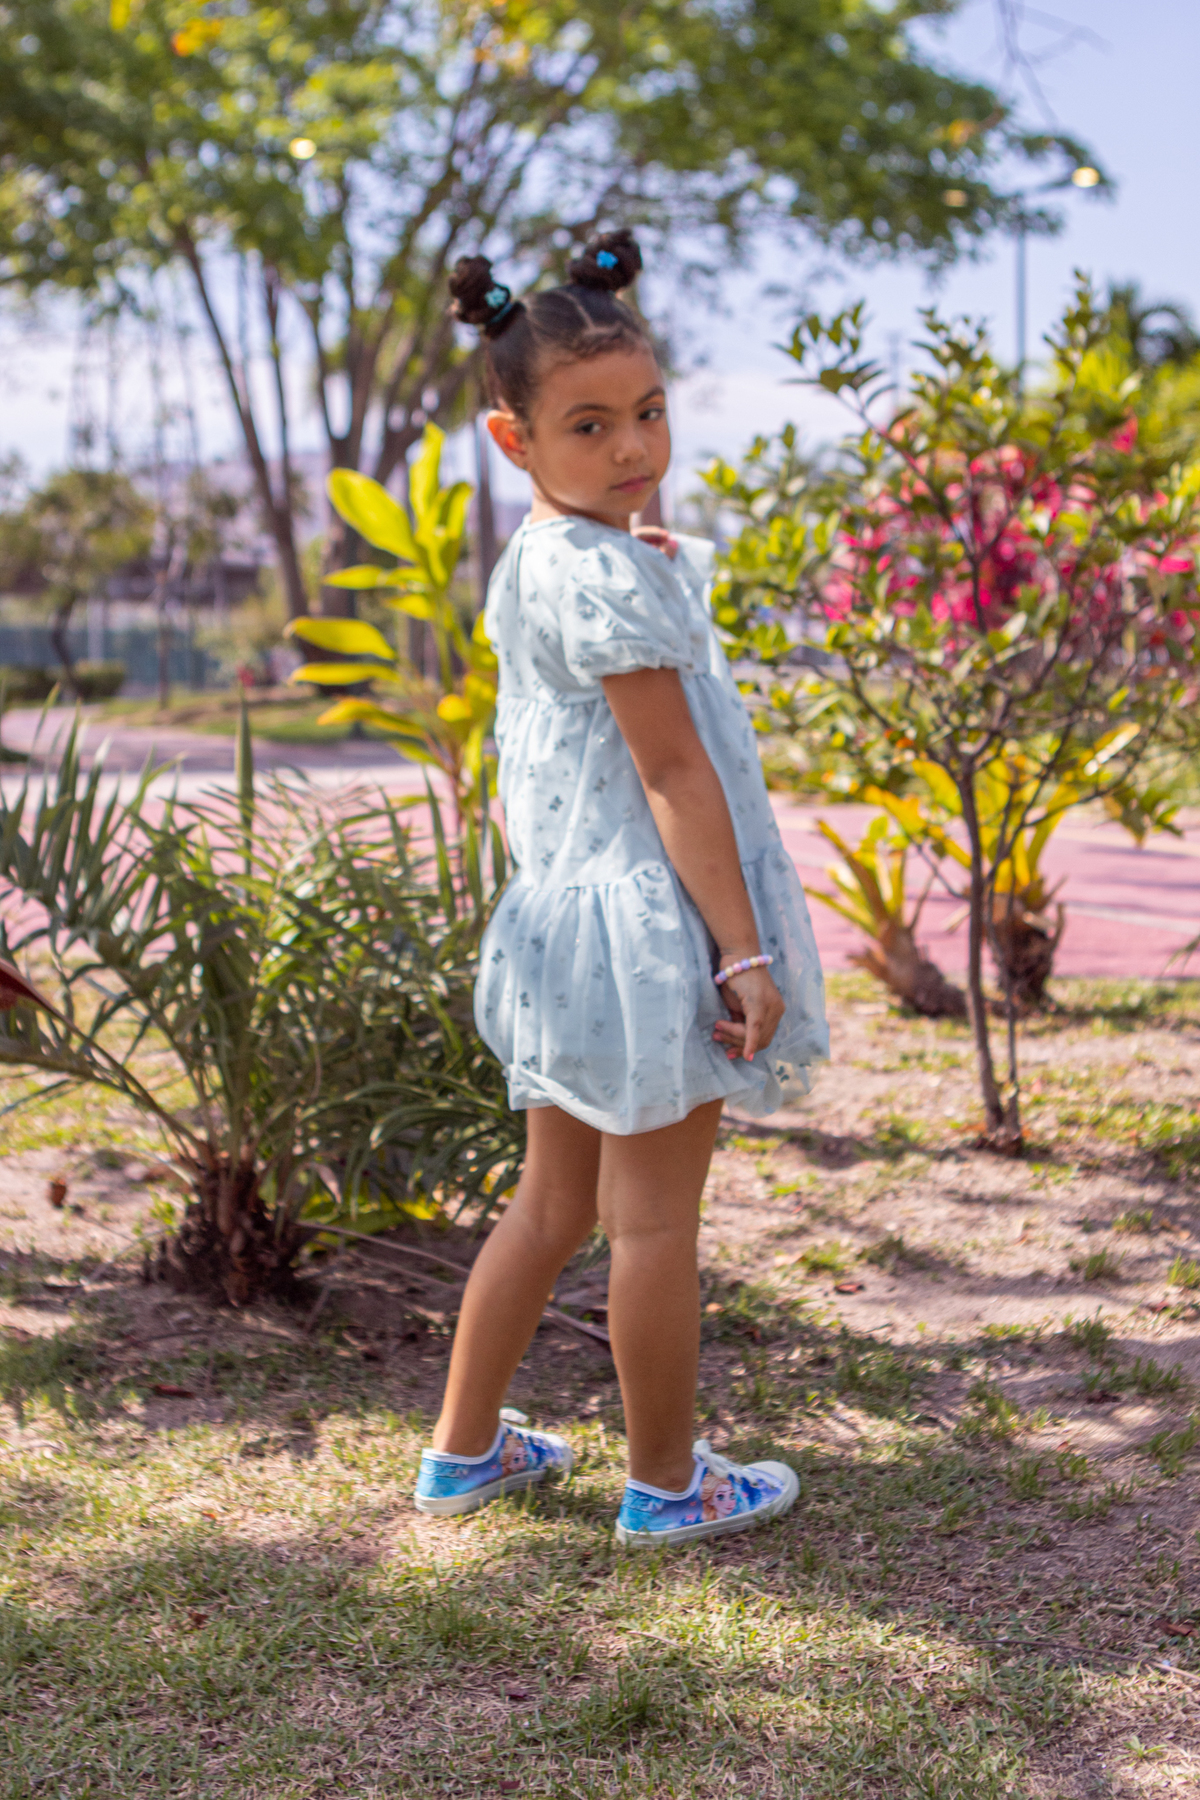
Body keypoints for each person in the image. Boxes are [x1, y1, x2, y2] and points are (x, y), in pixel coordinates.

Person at [414, 229, 828, 1547]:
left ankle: (464, 1454)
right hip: (654, 935)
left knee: (550, 1208)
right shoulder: (607, 575)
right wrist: (741, 952)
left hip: (567, 930)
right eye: (587, 426)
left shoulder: (548, 555)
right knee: (652, 1224)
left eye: (648, 412)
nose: (632, 446)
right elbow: (671, 771)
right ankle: (666, 1485)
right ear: (513, 438)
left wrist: (636, 542)